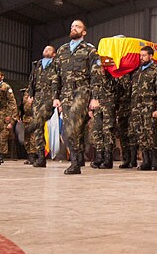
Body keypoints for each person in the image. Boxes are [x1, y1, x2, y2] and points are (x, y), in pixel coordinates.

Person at [53, 19, 104, 175]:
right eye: (72, 26)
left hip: (82, 92)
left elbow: (96, 75)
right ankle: (79, 157)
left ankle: (75, 163)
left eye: (78, 26)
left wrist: (95, 97)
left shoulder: (90, 50)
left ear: (84, 32)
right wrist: (56, 96)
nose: (74, 28)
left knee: (70, 128)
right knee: (76, 128)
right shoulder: (62, 50)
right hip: (65, 94)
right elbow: (56, 75)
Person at [128, 46, 157, 171]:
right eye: (141, 55)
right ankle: (146, 160)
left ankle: (155, 161)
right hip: (137, 109)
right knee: (141, 134)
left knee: (151, 134)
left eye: (144, 55)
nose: (142, 58)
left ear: (150, 56)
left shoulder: (156, 71)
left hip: (150, 107)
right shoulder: (137, 72)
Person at [25, 45, 59, 167]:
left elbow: (58, 81)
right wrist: (30, 94)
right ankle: (40, 156)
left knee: (38, 120)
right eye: (45, 49)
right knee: (38, 128)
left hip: (49, 96)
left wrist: (56, 97)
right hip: (38, 96)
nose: (46, 50)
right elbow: (31, 80)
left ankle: (30, 127)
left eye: (49, 49)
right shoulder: (38, 64)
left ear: (54, 54)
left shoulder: (56, 64)